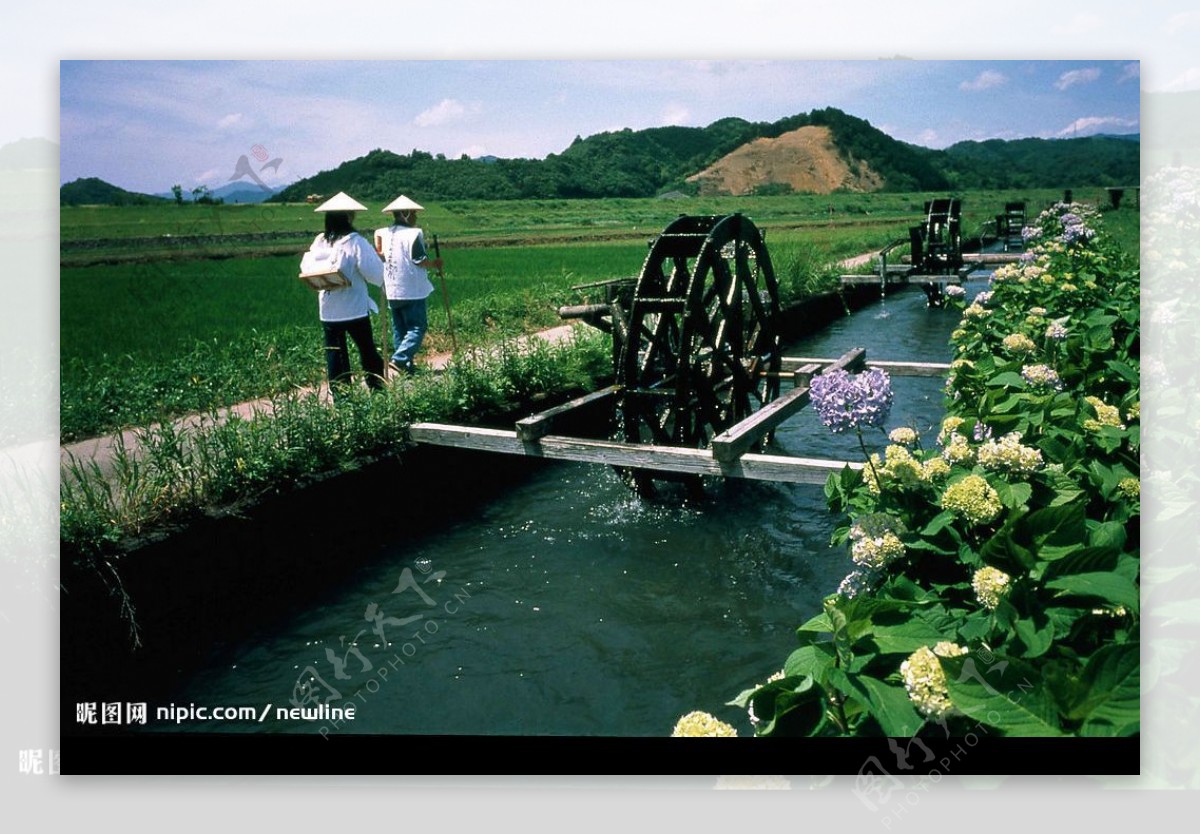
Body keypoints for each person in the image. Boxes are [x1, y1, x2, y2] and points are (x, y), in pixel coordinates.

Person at [303, 192, 386, 398]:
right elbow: (374, 272)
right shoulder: (354, 241)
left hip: (329, 309)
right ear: (348, 216)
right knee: (367, 349)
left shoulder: (320, 241)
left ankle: (342, 397)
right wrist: (383, 276)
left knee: (335, 353)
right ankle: (378, 388)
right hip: (354, 308)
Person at [374, 195, 444, 375]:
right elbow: (419, 260)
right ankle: (399, 359)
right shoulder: (414, 233)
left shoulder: (384, 232)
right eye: (413, 214)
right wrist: (434, 264)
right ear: (405, 214)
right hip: (411, 288)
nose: (415, 218)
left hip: (392, 288)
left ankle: (406, 368)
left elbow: (378, 249)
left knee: (400, 329)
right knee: (417, 327)